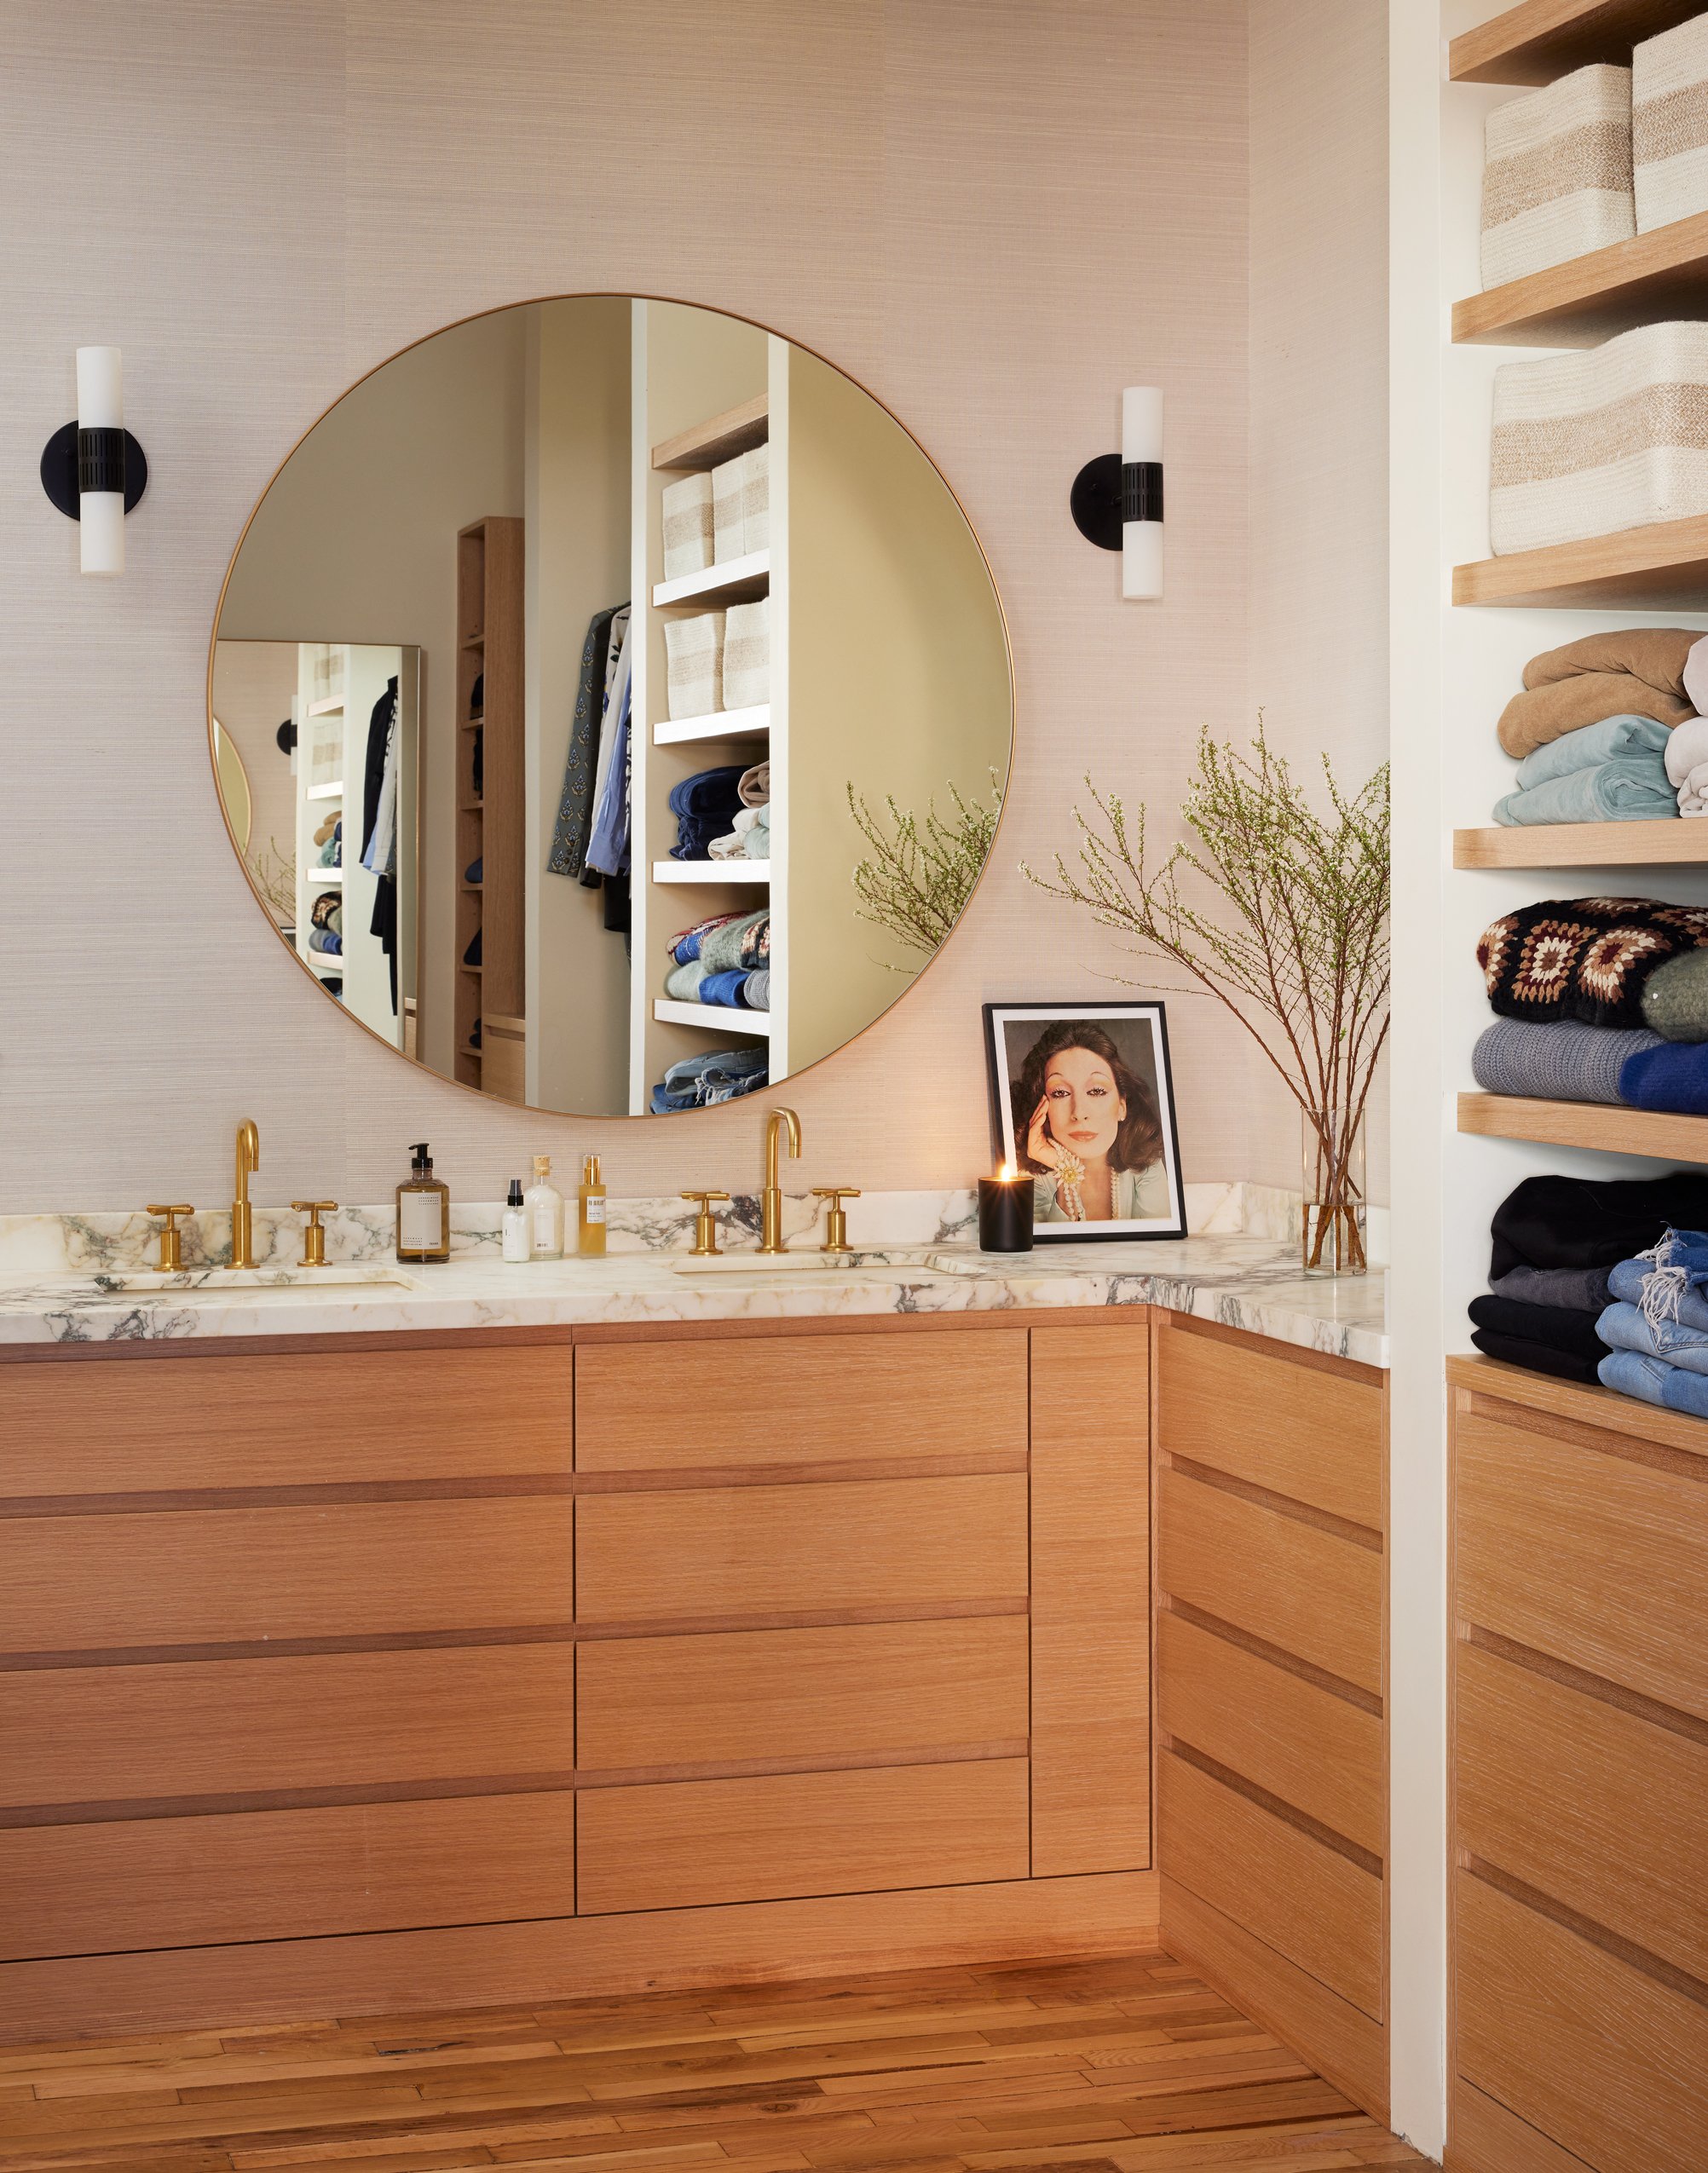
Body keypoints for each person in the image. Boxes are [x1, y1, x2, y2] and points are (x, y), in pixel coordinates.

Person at [1012, 1020, 1168, 1223]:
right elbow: (1048, 1252)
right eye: (1061, 1093)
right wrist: (1065, 1173)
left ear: (1122, 1106)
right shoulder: (1029, 1178)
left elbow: (1158, 1244)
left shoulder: (1145, 1164)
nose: (1079, 1112)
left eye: (1096, 1091)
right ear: (1042, 1108)